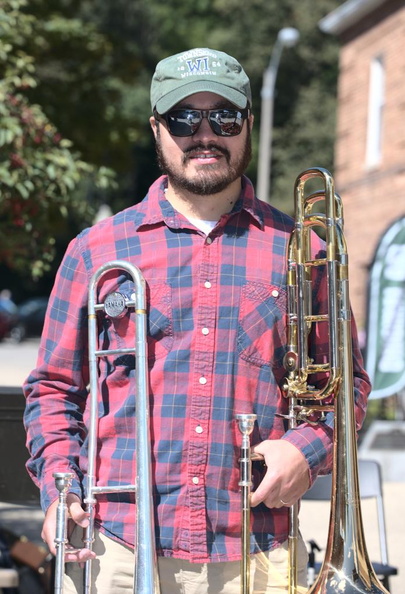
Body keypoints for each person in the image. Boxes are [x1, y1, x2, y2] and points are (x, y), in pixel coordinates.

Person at [23, 47, 371, 594]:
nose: (205, 134)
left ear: (248, 125)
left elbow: (347, 388)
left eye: (224, 117)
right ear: (157, 127)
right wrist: (61, 489)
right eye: (185, 118)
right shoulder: (95, 250)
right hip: (117, 548)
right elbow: (54, 389)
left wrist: (305, 449)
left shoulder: (305, 251)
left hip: (257, 553)